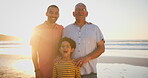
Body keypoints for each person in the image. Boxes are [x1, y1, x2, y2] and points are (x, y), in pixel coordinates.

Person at [63, 3, 105, 78]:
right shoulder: (67, 29)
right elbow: (61, 49)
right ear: (73, 13)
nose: (80, 11)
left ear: (86, 13)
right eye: (77, 10)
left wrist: (87, 58)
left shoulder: (94, 28)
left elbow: (101, 48)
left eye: (82, 10)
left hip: (90, 73)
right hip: (71, 73)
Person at [30, 5, 63, 78]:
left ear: (59, 15)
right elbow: (34, 52)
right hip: (43, 70)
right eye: (51, 12)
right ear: (46, 13)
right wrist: (37, 70)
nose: (53, 15)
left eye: (56, 13)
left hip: (59, 70)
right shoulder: (37, 29)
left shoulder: (61, 29)